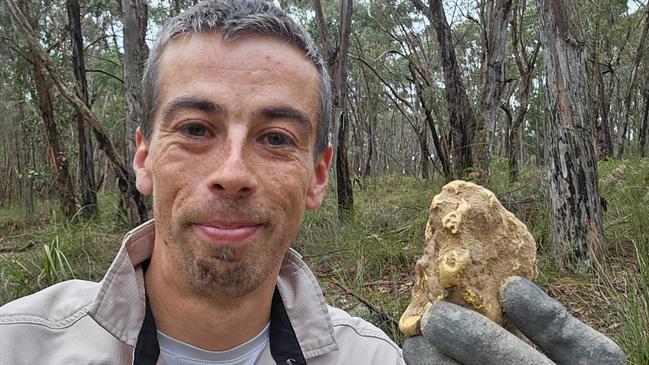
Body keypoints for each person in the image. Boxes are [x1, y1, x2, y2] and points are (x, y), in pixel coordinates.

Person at [0, 1, 626, 365]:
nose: (233, 173)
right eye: (195, 128)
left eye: (276, 138)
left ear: (317, 175)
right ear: (142, 156)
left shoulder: (372, 361)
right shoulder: (18, 345)